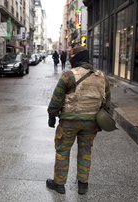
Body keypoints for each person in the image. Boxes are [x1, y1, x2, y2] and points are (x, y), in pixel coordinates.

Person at [46, 46, 111, 195]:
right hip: (91, 122)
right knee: (85, 151)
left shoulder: (68, 75)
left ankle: (59, 184)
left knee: (63, 151)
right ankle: (83, 185)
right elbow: (107, 102)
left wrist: (52, 116)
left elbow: (57, 98)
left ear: (76, 58)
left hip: (69, 121)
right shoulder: (102, 76)